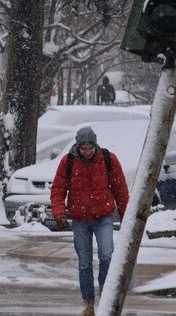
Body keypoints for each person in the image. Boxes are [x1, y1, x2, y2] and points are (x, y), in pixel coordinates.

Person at [50, 126, 129, 316]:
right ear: (77, 146)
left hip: (103, 217)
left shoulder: (108, 159)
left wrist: (127, 216)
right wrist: (59, 213)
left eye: (90, 148)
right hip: (80, 219)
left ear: (95, 145)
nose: (87, 152)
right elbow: (58, 189)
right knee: (84, 263)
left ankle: (106, 297)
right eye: (83, 148)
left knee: (106, 256)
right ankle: (89, 304)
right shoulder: (68, 162)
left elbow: (121, 189)